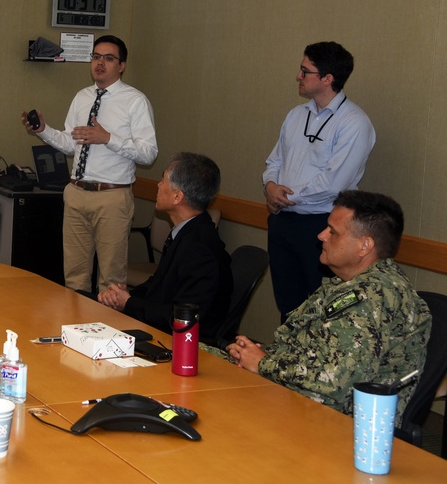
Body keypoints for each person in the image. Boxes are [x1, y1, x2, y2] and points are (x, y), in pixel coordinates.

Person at [226, 191, 430, 425]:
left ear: (365, 246)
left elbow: (334, 383)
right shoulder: (347, 283)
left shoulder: (372, 296)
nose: (321, 235)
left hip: (334, 425)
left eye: (333, 232)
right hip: (297, 400)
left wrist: (264, 363)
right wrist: (255, 355)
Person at [22, 34, 158, 295]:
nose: (100, 63)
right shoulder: (82, 97)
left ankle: (106, 334)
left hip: (112, 197)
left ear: (122, 66)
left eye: (108, 58)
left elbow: (149, 153)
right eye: (96, 57)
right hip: (75, 193)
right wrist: (42, 130)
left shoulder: (135, 101)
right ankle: (75, 331)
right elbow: (71, 144)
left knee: (111, 282)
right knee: (74, 278)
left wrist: (108, 139)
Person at [263, 41, 375, 322]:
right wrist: (270, 187)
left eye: (305, 71)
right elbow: (275, 161)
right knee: (288, 308)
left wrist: (286, 197)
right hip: (282, 221)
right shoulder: (296, 115)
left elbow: (334, 183)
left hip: (321, 226)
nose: (298, 76)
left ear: (328, 79)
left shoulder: (354, 123)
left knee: (318, 308)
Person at [97, 153, 232, 337]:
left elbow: (179, 318)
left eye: (163, 180)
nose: (158, 185)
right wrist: (124, 296)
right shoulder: (188, 230)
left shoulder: (200, 250)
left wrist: (128, 303)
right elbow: (159, 285)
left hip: (185, 346)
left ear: (177, 197)